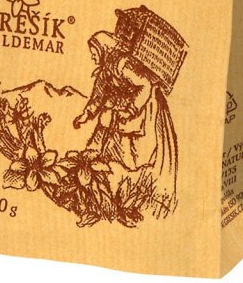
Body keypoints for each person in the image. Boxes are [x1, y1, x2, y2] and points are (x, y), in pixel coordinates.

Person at [73, 30, 178, 216]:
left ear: (104, 49)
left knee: (133, 151)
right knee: (106, 139)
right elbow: (97, 97)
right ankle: (105, 183)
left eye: (94, 52)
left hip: (141, 110)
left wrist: (131, 109)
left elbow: (145, 85)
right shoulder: (105, 71)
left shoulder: (123, 64)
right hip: (118, 112)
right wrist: (85, 115)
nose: (92, 56)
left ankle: (129, 189)